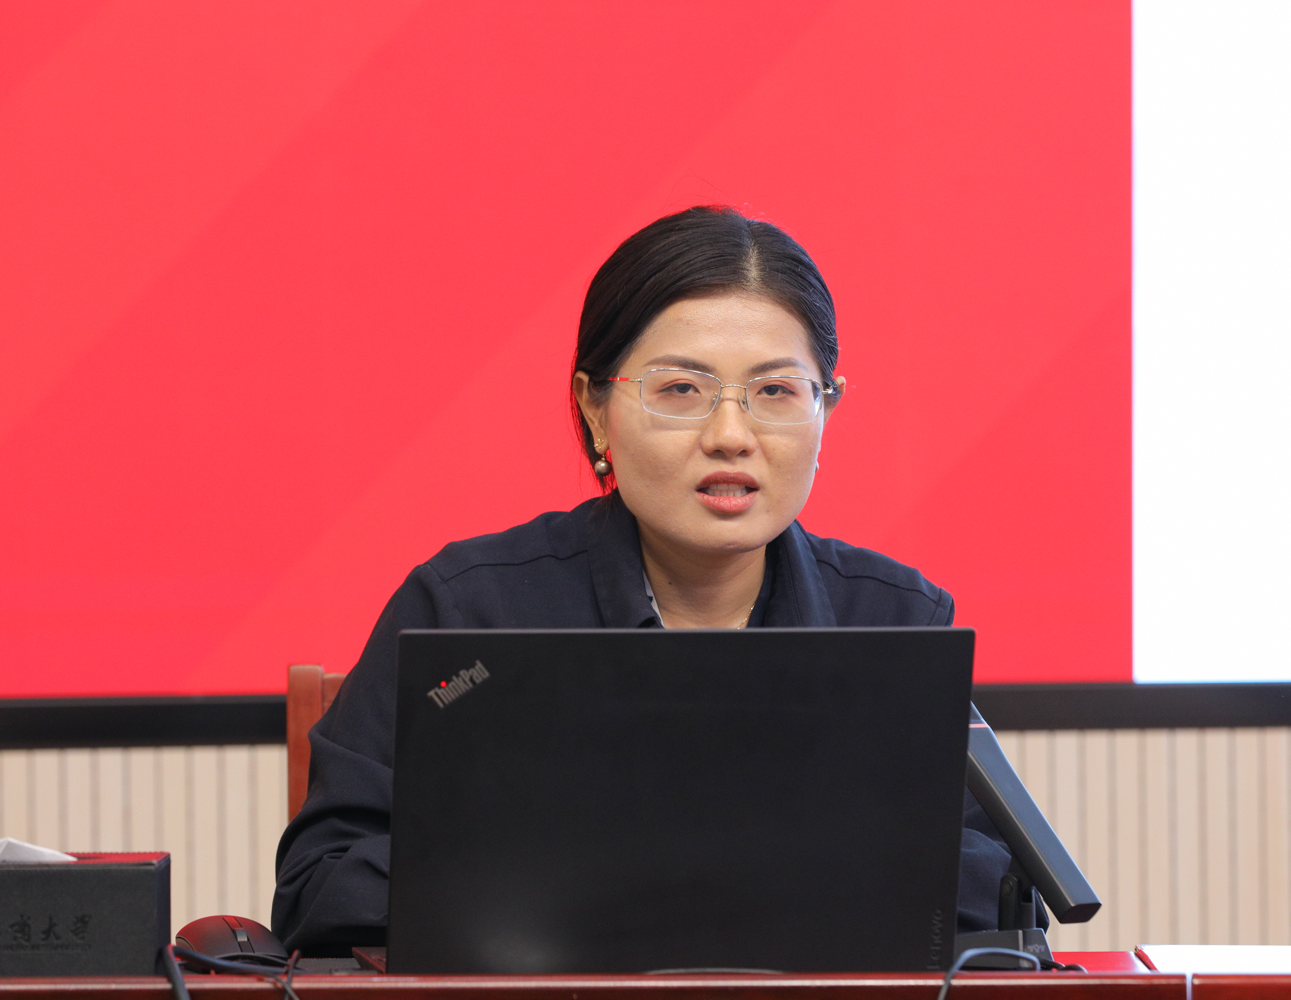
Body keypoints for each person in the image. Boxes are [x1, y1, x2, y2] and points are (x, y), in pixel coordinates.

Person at [272, 205, 1014, 953]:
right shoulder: (467, 611)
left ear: (826, 410)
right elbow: (320, 886)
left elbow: (1001, 897)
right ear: (596, 410)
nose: (731, 436)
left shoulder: (894, 622)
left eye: (776, 391)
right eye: (681, 389)